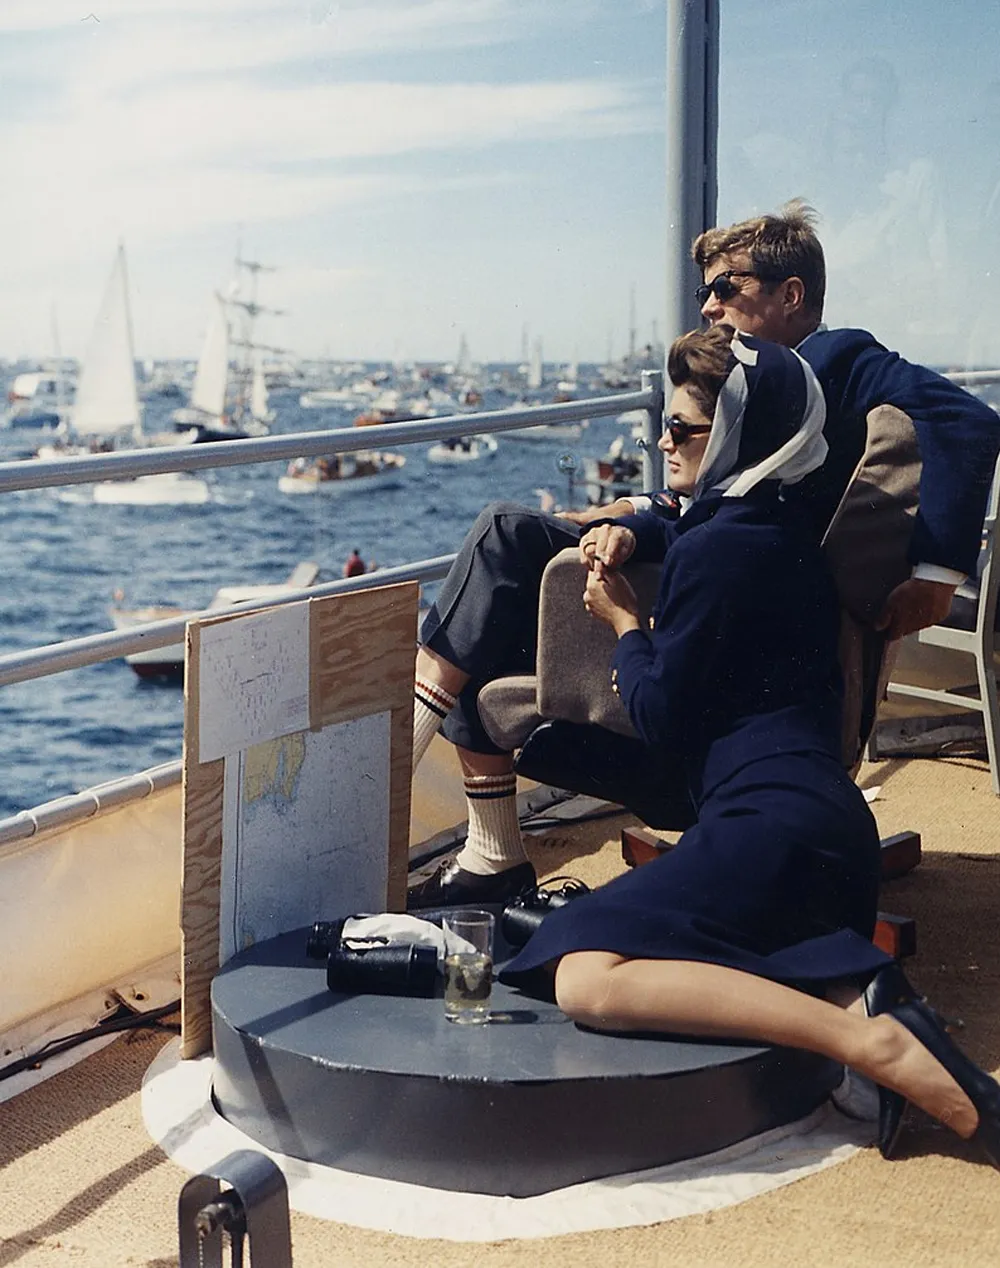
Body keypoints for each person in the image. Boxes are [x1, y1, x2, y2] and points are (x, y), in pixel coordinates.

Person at [497, 326, 1000, 1175]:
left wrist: (624, 624)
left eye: (685, 428)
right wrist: (646, 541)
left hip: (768, 826)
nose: (662, 439)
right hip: (826, 836)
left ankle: (869, 1045)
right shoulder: (784, 530)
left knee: (585, 974)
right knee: (765, 949)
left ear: (738, 435)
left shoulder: (720, 551)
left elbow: (658, 714)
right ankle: (887, 1024)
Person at [407, 201, 999, 909]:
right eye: (704, 292)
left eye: (728, 287)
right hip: (716, 565)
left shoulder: (832, 360)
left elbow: (968, 419)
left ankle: (408, 799)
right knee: (501, 590)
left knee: (506, 540)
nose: (710, 305)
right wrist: (635, 515)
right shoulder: (751, 380)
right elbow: (723, 496)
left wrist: (937, 576)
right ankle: (489, 851)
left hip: (731, 596)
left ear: (791, 295)